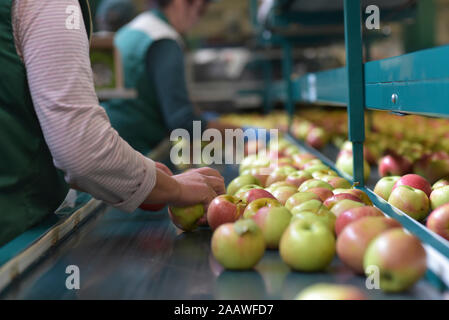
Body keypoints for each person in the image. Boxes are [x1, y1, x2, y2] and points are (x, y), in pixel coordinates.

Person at [0, 0, 225, 246]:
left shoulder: (136, 30)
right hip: (15, 227)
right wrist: (173, 188)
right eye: (200, 10)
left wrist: (140, 172)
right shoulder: (52, 4)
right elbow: (82, 152)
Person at [102, 0, 233, 155]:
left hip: (109, 144)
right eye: (201, 10)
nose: (197, 21)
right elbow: (183, 123)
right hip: (135, 152)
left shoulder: (135, 29)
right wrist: (242, 133)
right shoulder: (163, 40)